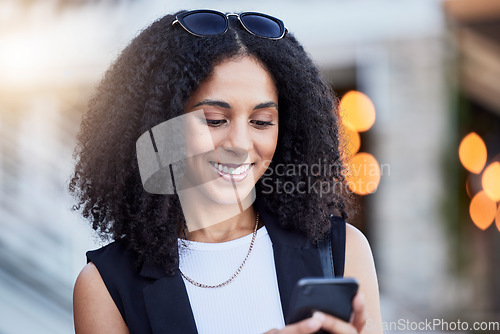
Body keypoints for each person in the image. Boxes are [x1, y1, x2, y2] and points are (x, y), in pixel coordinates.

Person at [70, 9, 382, 334]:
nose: (240, 144)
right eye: (215, 120)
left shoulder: (341, 251)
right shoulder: (106, 286)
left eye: (261, 122)